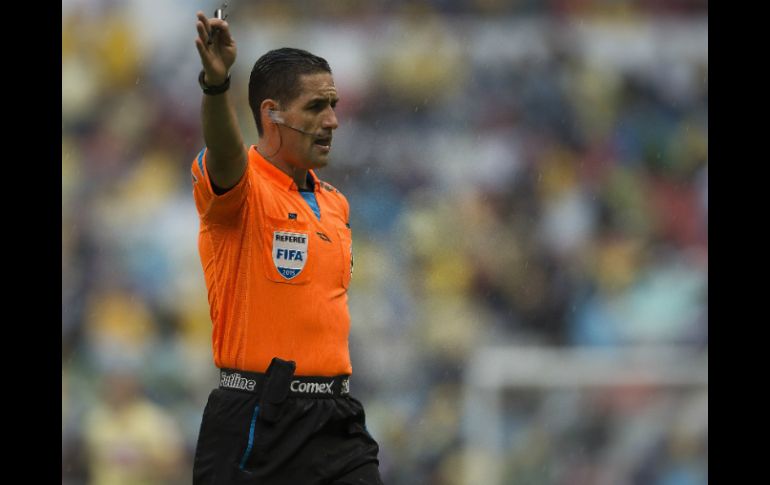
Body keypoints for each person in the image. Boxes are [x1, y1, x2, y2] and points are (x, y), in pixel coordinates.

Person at [189, 10, 382, 485]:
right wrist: (216, 86)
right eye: (315, 107)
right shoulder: (243, 189)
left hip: (334, 416)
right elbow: (226, 154)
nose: (332, 121)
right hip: (258, 418)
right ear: (271, 113)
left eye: (333, 105)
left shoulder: (335, 203)